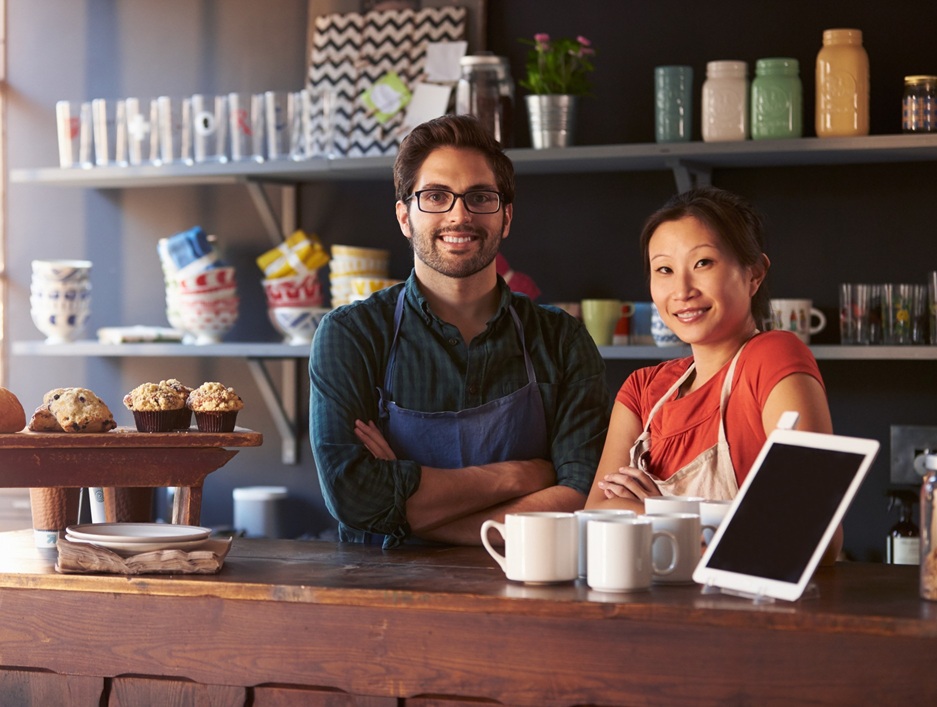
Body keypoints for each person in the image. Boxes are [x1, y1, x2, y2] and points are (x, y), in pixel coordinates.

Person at [310, 114, 610, 548]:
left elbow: (580, 499)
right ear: (404, 217)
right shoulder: (351, 335)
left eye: (480, 197)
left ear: (506, 217)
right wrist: (522, 475)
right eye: (435, 196)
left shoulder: (562, 341)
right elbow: (353, 496)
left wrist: (401, 513)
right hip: (381, 602)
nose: (460, 215)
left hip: (526, 598)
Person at [584, 186, 838, 556]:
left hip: (746, 609)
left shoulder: (773, 358)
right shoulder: (643, 390)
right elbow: (593, 520)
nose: (682, 290)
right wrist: (705, 527)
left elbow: (816, 535)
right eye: (664, 270)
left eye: (703, 263)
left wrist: (660, 512)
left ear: (754, 274)